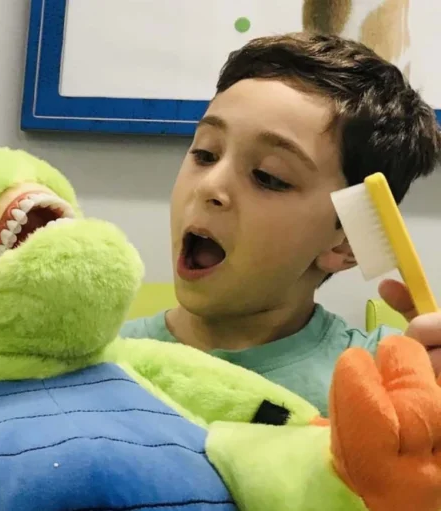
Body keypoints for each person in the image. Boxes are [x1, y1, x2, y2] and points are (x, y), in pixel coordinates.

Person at [120, 32, 441, 414]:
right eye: (205, 153)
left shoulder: (390, 382)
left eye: (269, 176)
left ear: (346, 243)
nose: (210, 187)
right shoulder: (97, 362)